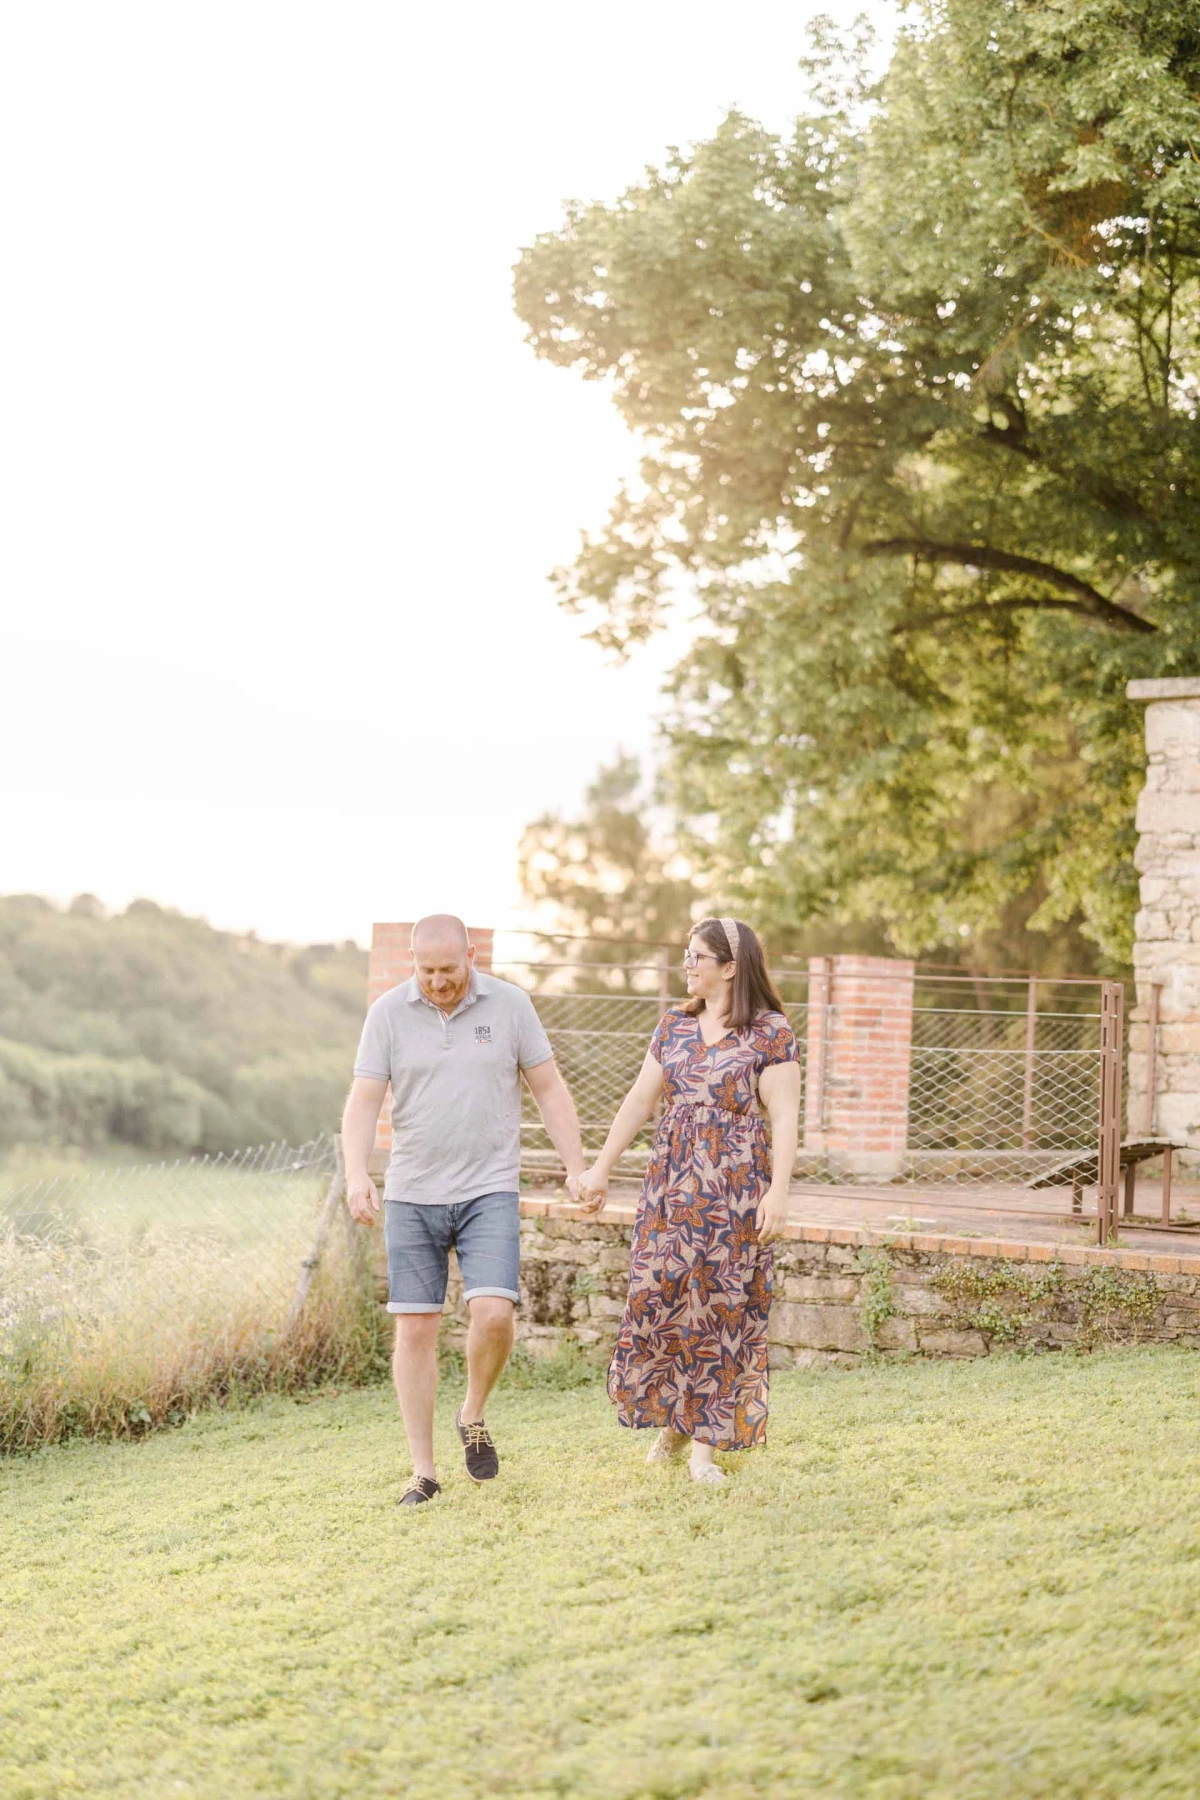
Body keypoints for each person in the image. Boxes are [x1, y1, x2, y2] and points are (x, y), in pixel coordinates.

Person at [342, 914, 586, 1505]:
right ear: (412, 963)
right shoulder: (388, 1014)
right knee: (416, 1327)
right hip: (412, 1191)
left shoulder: (510, 1006)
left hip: (488, 1187)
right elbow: (364, 1099)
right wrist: (356, 1174)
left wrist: (577, 1168)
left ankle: (472, 1412)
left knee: (495, 1314)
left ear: (470, 955)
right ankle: (424, 1471)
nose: (437, 981)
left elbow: (549, 1089)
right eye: (426, 970)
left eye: (448, 969)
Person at [576, 917, 801, 1484]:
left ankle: (703, 1449)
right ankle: (675, 1421)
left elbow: (787, 1120)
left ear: (730, 967)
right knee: (661, 1299)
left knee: (722, 1307)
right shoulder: (673, 1028)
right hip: (671, 1190)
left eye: (697, 956)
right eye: (686, 954)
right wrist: (601, 1167)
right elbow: (638, 1100)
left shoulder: (770, 1033)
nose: (687, 963)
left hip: (735, 1191)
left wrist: (779, 1193)